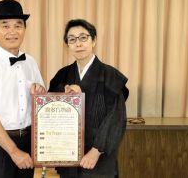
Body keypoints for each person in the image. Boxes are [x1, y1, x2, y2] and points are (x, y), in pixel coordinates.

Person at [0, 0, 46, 178]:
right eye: (5, 26)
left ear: (24, 29)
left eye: (18, 25)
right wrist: (14, 151)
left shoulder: (31, 62)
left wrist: (40, 91)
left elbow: (41, 101)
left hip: (26, 141)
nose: (12, 32)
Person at [48, 19, 129, 178]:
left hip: (99, 158)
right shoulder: (63, 75)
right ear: (68, 45)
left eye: (83, 38)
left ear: (94, 40)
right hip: (69, 156)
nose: (78, 44)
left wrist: (96, 150)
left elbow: (116, 118)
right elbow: (50, 111)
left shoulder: (110, 76)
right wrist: (63, 92)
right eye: (72, 39)